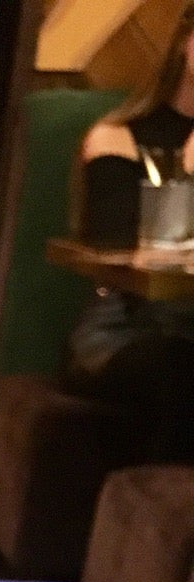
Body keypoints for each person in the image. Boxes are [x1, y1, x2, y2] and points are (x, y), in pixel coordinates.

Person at [64, 3, 194, 465]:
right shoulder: (117, 137)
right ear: (185, 42)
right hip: (121, 331)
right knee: (181, 371)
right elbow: (116, 248)